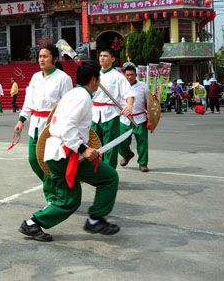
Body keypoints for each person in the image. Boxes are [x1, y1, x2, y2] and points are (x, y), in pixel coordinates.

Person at [19, 60, 120, 242]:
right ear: (93, 79)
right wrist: (84, 149)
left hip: (58, 154)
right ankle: (95, 219)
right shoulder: (82, 97)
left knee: (69, 200)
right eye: (98, 78)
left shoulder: (74, 94)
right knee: (109, 177)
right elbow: (66, 128)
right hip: (65, 154)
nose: (99, 83)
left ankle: (33, 223)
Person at [14, 44, 73, 203]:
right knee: (34, 160)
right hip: (35, 125)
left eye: (45, 56)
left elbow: (67, 105)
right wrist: (21, 119)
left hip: (52, 127)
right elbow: (28, 102)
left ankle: (51, 197)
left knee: (49, 162)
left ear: (54, 59)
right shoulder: (35, 77)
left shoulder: (63, 78)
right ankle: (55, 186)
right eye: (40, 56)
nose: (41, 59)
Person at [91, 48, 134, 168]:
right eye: (100, 55)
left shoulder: (118, 76)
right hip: (94, 115)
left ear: (113, 59)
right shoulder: (94, 74)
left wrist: (129, 106)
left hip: (111, 115)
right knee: (95, 146)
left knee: (110, 147)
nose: (102, 58)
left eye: (105, 55)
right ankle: (98, 172)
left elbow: (129, 93)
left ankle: (109, 175)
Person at [118, 63, 149, 172]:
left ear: (136, 75)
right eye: (127, 75)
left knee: (142, 142)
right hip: (124, 119)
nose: (129, 77)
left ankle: (143, 163)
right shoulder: (120, 86)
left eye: (131, 75)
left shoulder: (143, 86)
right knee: (121, 141)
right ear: (124, 75)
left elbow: (148, 102)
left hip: (140, 118)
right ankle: (127, 155)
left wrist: (150, 115)